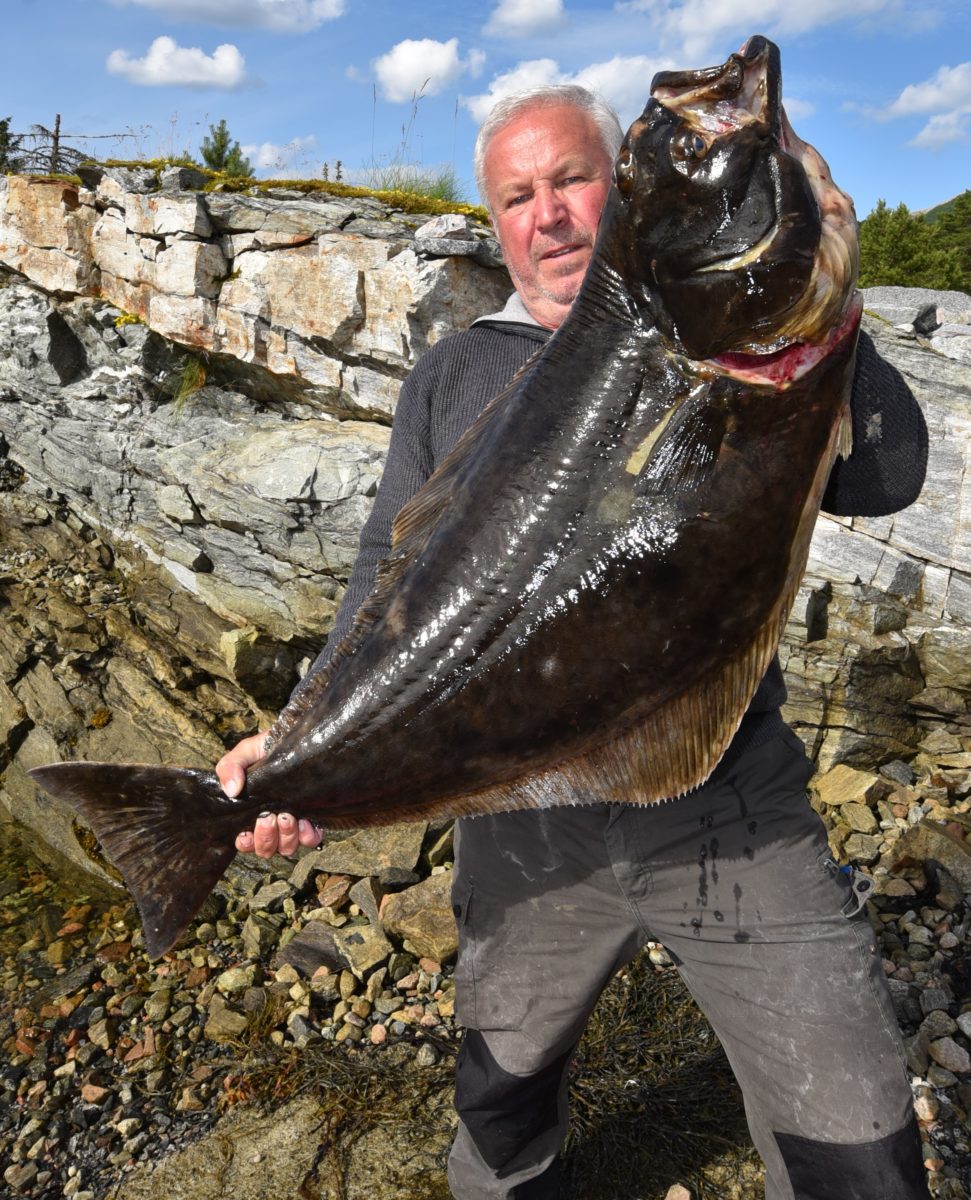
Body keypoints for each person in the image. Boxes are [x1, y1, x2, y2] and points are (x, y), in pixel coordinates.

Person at [216, 86, 931, 1200]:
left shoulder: (728, 345)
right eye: (516, 197)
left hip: (729, 799)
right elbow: (382, 590)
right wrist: (298, 741)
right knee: (500, 1105)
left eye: (571, 181)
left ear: (622, 198)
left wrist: (832, 307)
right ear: (492, 223)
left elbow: (885, 476)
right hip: (521, 825)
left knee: (861, 1149)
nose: (546, 215)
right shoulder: (452, 376)